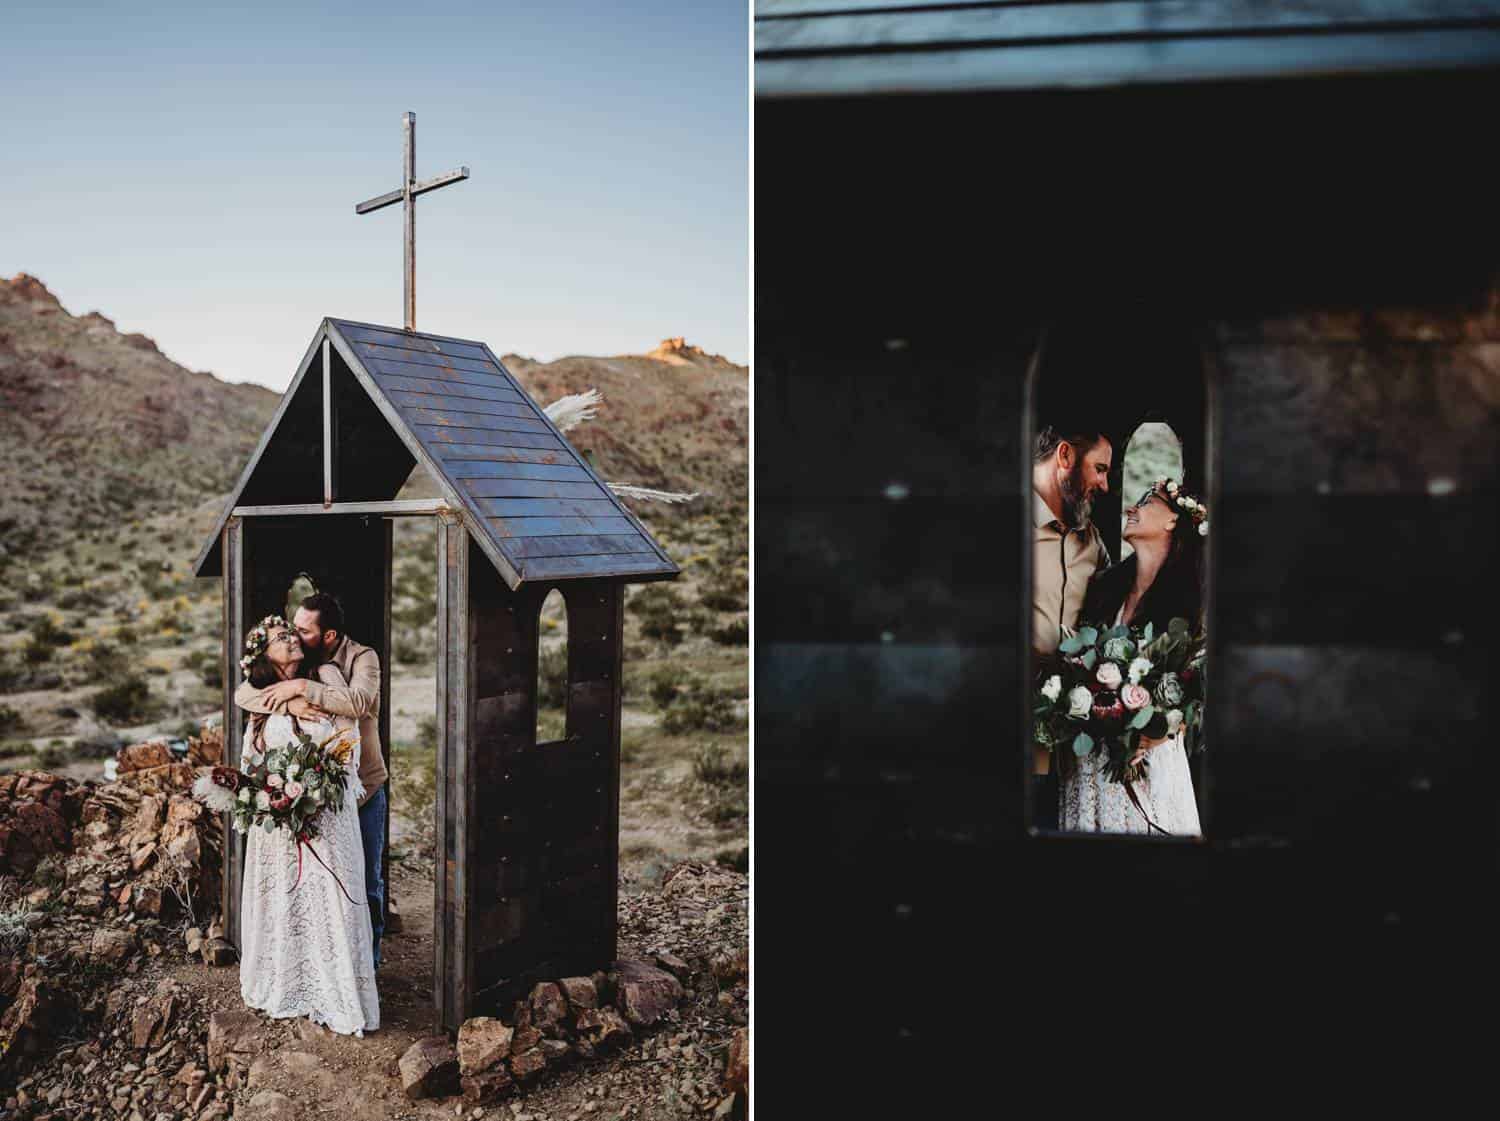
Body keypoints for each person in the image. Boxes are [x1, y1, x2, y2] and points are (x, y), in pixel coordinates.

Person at [236, 617, 380, 1036]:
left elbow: (347, 735)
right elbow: (251, 761)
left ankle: (336, 993)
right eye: (282, 638)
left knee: (332, 899)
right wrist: (269, 796)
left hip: (327, 816)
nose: (291, 639)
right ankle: (290, 982)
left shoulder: (328, 675)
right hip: (278, 827)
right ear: (265, 657)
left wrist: (315, 789)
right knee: (287, 900)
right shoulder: (259, 700)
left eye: (293, 633)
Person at [1060, 479, 1205, 835]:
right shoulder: (1104, 587)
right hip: (1088, 766)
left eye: (1146, 500)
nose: (1131, 508)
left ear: (1173, 520)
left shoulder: (1191, 601)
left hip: (1150, 765)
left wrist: (1171, 725)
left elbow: (1203, 686)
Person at [1031, 425, 1113, 830]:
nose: (1105, 484)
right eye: (1099, 469)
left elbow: (1117, 621)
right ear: (1064, 456)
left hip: (1072, 760)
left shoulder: (1093, 544)